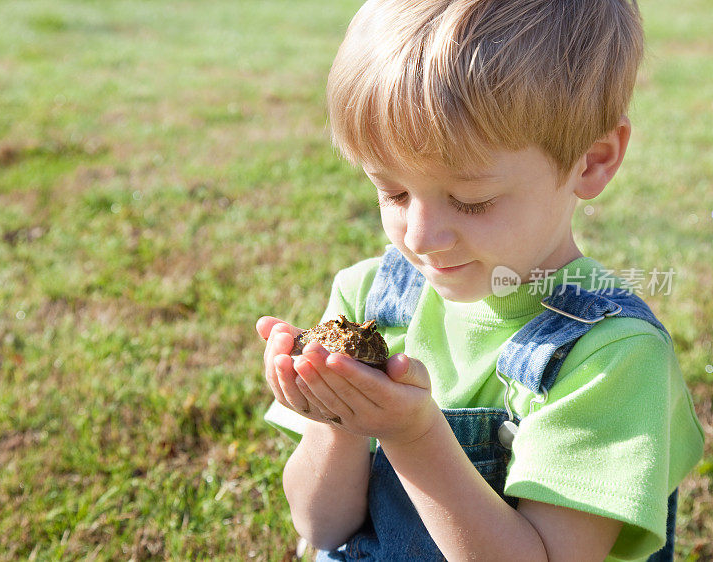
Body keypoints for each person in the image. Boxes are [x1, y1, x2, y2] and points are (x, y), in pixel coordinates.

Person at [256, 0, 704, 560]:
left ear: (592, 161)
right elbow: (322, 529)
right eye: (393, 192)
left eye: (472, 201)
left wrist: (412, 436)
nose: (419, 238)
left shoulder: (611, 357)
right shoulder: (369, 296)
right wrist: (338, 418)